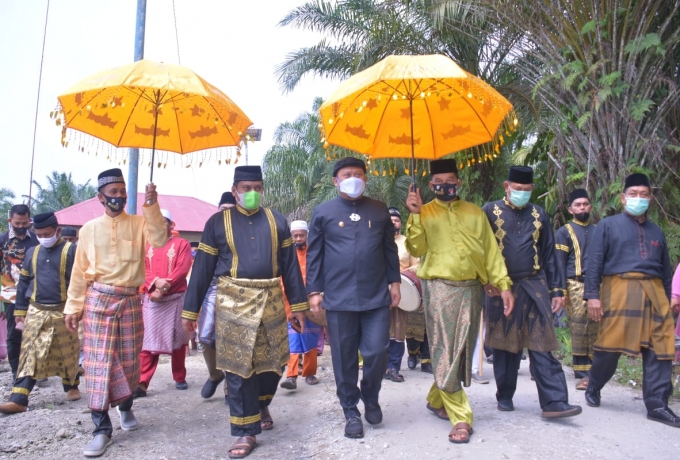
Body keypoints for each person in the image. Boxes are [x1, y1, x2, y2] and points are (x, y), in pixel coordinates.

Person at [181, 166, 308, 459]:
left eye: (258, 188)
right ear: (235, 189)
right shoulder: (217, 223)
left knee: (274, 362)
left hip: (272, 299)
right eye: (246, 188)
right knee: (238, 366)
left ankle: (262, 402)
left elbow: (289, 266)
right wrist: (191, 311)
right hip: (233, 300)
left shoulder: (277, 220)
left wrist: (299, 307)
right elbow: (202, 269)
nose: (252, 193)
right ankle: (245, 430)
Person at [405, 159, 514, 443]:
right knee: (444, 349)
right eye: (439, 181)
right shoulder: (424, 212)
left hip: (472, 290)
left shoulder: (475, 213)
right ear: (430, 185)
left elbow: (490, 252)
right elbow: (416, 248)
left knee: (460, 349)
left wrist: (503, 285)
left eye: (451, 179)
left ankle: (437, 398)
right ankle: (461, 416)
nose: (445, 185)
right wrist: (414, 215)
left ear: (459, 182)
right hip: (439, 288)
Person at [63, 168, 167, 457]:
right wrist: (74, 306)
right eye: (113, 193)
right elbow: (79, 272)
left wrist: (152, 204)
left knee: (129, 358)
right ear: (101, 197)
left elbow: (159, 239)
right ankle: (101, 428)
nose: (119, 197)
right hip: (98, 301)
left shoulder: (138, 222)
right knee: (98, 364)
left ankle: (125, 406)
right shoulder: (88, 229)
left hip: (130, 300)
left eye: (122, 192)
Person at [306, 156, 400, 439]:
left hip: (375, 297)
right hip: (339, 298)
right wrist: (313, 292)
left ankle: (370, 397)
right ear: (336, 180)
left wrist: (395, 281)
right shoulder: (323, 212)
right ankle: (350, 410)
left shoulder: (379, 209)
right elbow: (315, 255)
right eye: (347, 174)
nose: (353, 178)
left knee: (377, 351)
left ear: (365, 178)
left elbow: (389, 250)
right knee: (344, 359)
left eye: (358, 174)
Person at [483, 165, 581, 418]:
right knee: (505, 344)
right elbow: (480, 250)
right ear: (507, 186)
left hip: (535, 285)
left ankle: (554, 401)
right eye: (517, 189)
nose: (522, 193)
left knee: (542, 342)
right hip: (502, 287)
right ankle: (504, 395)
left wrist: (557, 290)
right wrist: (485, 281)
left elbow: (550, 255)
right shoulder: (489, 211)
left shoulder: (539, 214)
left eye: (527, 190)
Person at [584, 173, 680, 427]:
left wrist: (671, 296)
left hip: (655, 292)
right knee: (610, 345)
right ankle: (594, 384)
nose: (639, 198)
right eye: (634, 194)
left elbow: (665, 269)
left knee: (661, 346)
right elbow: (594, 263)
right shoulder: (607, 225)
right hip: (619, 288)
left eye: (644, 194)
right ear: (623, 198)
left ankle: (657, 404)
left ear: (650, 198)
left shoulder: (656, 230)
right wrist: (592, 296)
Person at [0, 212, 80, 415]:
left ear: (58, 231)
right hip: (36, 310)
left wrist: (78, 309)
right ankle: (19, 398)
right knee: (30, 354)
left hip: (64, 311)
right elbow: (24, 282)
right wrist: (20, 310)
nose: (44, 238)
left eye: (47, 234)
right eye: (39, 234)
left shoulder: (71, 251)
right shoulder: (32, 252)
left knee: (67, 351)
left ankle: (71, 386)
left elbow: (79, 283)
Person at [135, 209, 193, 398]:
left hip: (175, 297)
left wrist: (163, 288)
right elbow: (141, 268)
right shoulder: (145, 245)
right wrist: (154, 287)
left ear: (171, 225)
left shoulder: (182, 244)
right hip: (152, 299)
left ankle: (179, 376)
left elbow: (182, 269)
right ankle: (142, 383)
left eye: (164, 221)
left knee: (178, 340)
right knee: (148, 343)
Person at [554, 188, 597, 389]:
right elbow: (559, 263)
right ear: (570, 209)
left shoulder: (599, 229)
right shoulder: (564, 232)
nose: (582, 207)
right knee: (578, 325)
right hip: (574, 284)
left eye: (585, 204)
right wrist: (560, 290)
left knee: (597, 324)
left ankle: (596, 366)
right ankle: (581, 369)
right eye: (578, 205)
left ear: (591, 206)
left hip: (597, 284)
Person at [197, 191, 237, 402]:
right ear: (218, 210)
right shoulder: (211, 228)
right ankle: (215, 375)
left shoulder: (245, 231)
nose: (227, 214)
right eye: (224, 210)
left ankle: (230, 388)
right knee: (205, 337)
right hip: (212, 286)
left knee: (231, 339)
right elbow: (201, 265)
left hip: (239, 290)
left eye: (232, 210)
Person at [280, 220, 321, 390]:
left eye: (301, 235)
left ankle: (310, 373)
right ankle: (291, 375)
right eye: (295, 235)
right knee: (294, 338)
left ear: (306, 236)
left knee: (311, 336)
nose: (298, 238)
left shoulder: (314, 253)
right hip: (291, 302)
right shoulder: (285, 254)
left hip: (312, 300)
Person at [0, 204, 38, 382]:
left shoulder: (36, 239)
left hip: (34, 293)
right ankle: (16, 371)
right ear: (10, 221)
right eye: (17, 223)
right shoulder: (3, 241)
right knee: (14, 334)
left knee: (34, 332)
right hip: (10, 294)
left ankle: (33, 370)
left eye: (25, 223)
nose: (21, 226)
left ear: (29, 220)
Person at [384, 207, 418, 383]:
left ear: (400, 223)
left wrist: (401, 277)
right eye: (389, 220)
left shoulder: (407, 242)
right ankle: (380, 367)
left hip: (401, 290)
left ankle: (394, 367)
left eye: (396, 220)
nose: (393, 223)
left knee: (397, 330)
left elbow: (417, 265)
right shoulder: (376, 240)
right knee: (379, 329)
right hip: (378, 291)